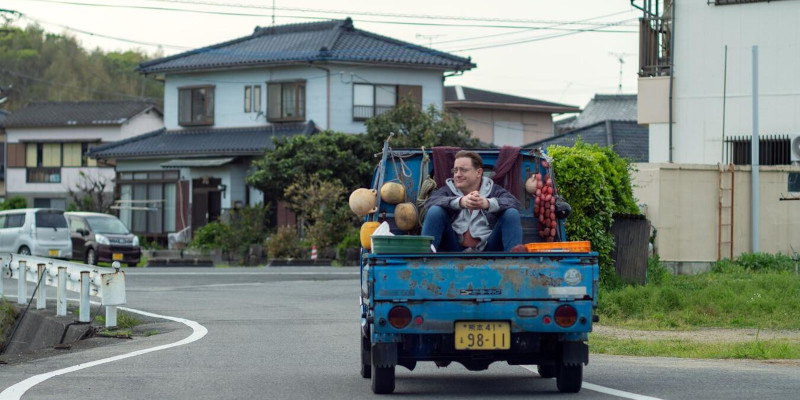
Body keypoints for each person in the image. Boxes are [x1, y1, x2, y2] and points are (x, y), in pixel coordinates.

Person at [422, 150, 523, 252]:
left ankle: (514, 260)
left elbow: (514, 203)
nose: (457, 174)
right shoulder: (447, 190)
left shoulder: (494, 190)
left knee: (511, 213)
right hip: (454, 248)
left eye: (463, 170)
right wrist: (460, 202)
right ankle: (425, 258)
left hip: (489, 249)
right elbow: (430, 202)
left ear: (478, 172)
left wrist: (487, 203)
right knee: (435, 211)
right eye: (455, 170)